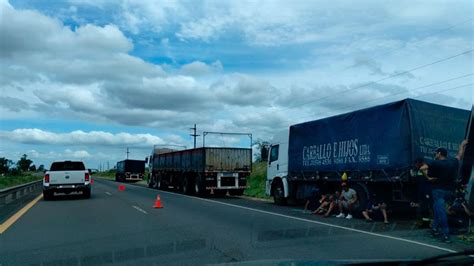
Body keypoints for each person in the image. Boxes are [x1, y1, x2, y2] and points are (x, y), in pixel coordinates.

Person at [421, 140, 468, 243]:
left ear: (439, 154)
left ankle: (446, 235)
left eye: (435, 153)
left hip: (438, 191)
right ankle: (434, 228)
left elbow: (422, 168)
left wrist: (428, 178)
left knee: (440, 212)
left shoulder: (435, 163)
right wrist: (462, 145)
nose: (435, 155)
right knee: (437, 209)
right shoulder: (453, 161)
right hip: (450, 192)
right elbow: (459, 155)